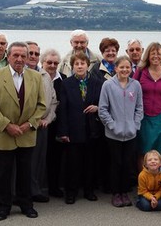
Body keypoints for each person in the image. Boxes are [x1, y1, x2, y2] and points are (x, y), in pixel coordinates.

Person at [0, 41, 46, 221]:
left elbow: (42, 105)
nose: (19, 59)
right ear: (8, 56)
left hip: (27, 133)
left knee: (25, 172)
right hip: (4, 133)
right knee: (2, 173)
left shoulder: (36, 77)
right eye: (15, 55)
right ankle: (3, 207)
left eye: (23, 56)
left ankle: (26, 204)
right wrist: (6, 125)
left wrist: (29, 124)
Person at [57, 52, 104, 204]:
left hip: (92, 128)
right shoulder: (66, 83)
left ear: (87, 65)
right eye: (76, 64)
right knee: (73, 164)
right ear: (72, 66)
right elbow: (62, 109)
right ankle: (71, 192)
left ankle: (89, 190)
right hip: (73, 128)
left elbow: (103, 103)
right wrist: (63, 131)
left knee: (90, 162)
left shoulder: (97, 82)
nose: (79, 66)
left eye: (82, 63)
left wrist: (97, 107)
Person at [98, 56, 144, 207]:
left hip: (130, 133)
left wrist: (135, 125)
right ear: (116, 68)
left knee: (127, 164)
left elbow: (139, 108)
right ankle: (116, 193)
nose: (125, 70)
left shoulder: (135, 85)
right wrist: (112, 126)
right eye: (121, 67)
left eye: (127, 67)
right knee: (115, 163)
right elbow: (103, 109)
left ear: (131, 69)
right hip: (113, 134)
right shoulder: (108, 85)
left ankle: (124, 192)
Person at [133, 42, 161, 165]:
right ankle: (143, 182)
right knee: (143, 152)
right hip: (143, 118)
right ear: (147, 55)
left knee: (158, 153)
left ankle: (157, 182)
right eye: (153, 53)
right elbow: (132, 93)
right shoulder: (141, 72)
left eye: (159, 54)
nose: (156, 56)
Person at [25, 42, 58, 203]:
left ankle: (35, 190)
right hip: (24, 127)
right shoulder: (19, 74)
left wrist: (48, 119)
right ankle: (21, 192)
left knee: (38, 160)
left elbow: (53, 101)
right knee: (23, 161)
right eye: (30, 53)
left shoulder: (45, 76)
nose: (33, 57)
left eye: (36, 54)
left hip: (42, 126)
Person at [41, 48, 66, 198]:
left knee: (55, 157)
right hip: (40, 123)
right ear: (42, 62)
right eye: (49, 62)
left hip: (57, 124)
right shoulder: (37, 77)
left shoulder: (62, 79)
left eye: (56, 63)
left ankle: (54, 186)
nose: (52, 65)